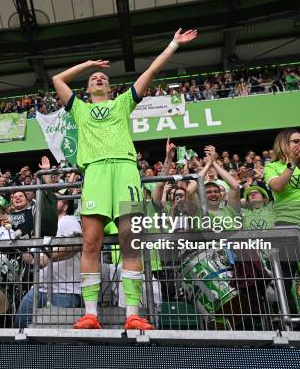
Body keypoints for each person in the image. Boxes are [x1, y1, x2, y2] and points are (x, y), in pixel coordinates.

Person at [52, 27, 198, 330]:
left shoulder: (122, 104)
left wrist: (173, 44)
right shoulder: (78, 109)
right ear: (88, 89)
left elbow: (151, 70)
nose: (98, 79)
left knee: (131, 245)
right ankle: (90, 313)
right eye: (94, 79)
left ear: (110, 87)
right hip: (95, 173)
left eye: (102, 76)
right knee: (90, 243)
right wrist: (89, 65)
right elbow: (57, 80)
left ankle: (133, 313)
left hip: (125, 171)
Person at [15, 195, 82, 328]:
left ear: (65, 206)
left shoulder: (68, 220)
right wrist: (22, 248)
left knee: (57, 335)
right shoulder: (41, 227)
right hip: (38, 288)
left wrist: (49, 257)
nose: (51, 203)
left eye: (57, 200)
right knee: (20, 325)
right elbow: (33, 260)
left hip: (65, 290)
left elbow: (76, 245)